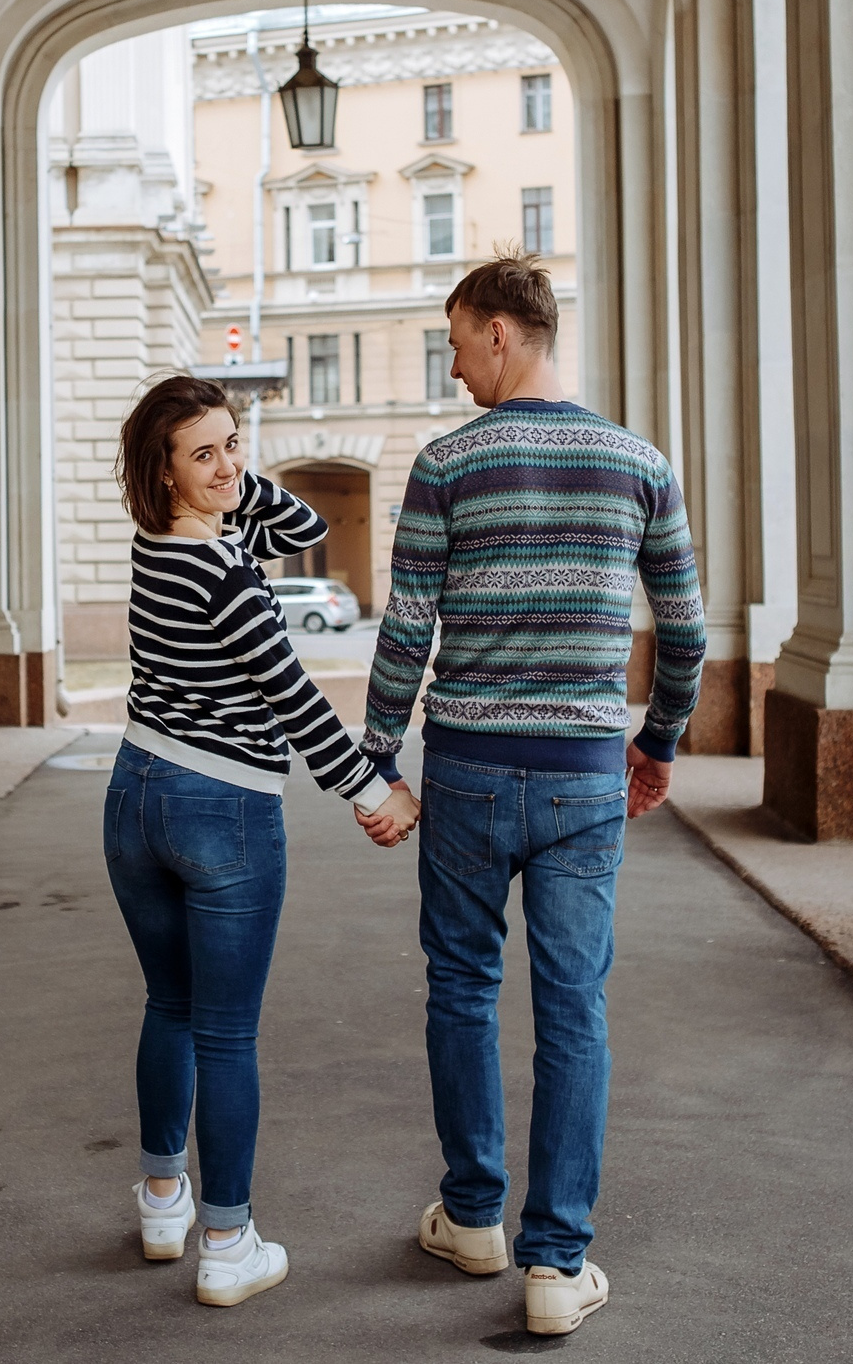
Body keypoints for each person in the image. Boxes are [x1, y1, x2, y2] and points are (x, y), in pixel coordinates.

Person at [355, 251, 703, 1337]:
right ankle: (556, 1265)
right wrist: (659, 744)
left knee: (460, 987)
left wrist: (378, 760)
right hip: (583, 779)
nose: (453, 366)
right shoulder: (638, 462)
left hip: (463, 771)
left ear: (501, 332)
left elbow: (408, 628)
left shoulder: (447, 464)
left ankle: (472, 1220)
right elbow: (684, 631)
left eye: (457, 342)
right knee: (573, 1006)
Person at [102, 374, 401, 1308]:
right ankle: (226, 1244)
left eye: (235, 443)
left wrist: (227, 473)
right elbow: (290, 693)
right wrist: (368, 787)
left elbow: (301, 525)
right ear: (162, 469)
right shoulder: (225, 571)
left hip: (134, 794)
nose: (231, 464)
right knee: (226, 1034)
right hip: (222, 806)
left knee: (170, 1006)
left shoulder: (159, 543)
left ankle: (163, 1200)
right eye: (205, 452)